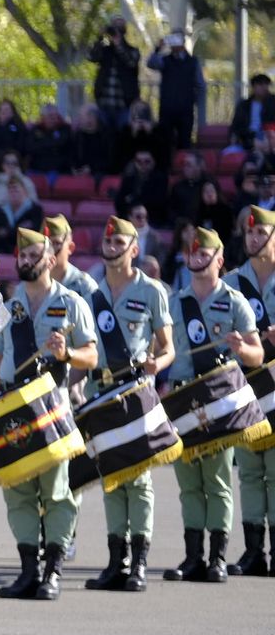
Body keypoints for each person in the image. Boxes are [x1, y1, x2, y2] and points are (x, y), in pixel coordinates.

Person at [0, 227, 97, 601]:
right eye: (22, 255)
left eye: (34, 255)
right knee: (18, 493)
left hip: (52, 410)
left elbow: (92, 356)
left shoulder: (71, 303)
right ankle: (27, 572)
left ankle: (53, 571)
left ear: (52, 260)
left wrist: (67, 354)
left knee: (57, 493)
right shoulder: (10, 305)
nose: (26, 261)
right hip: (14, 411)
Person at [163, 227, 265, 583]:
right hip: (181, 397)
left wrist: (242, 348)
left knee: (218, 480)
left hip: (218, 400)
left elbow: (257, 355)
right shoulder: (176, 301)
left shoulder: (234, 300)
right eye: (192, 252)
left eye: (204, 253)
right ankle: (193, 556)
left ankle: (217, 556)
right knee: (189, 482)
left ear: (219, 259)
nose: (197, 258)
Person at [79, 215, 174, 591]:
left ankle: (139, 562)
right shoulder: (93, 294)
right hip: (99, 393)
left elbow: (168, 348)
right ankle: (115, 561)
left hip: (135, 392)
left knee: (138, 479)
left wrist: (158, 363)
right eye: (108, 243)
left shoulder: (151, 291)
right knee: (112, 479)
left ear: (134, 249)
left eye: (119, 243)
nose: (112, 247)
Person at [219, 206, 275, 577]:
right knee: (251, 471)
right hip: (248, 387)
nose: (253, 239)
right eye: (250, 233)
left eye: (261, 233)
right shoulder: (234, 282)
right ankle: (254, 550)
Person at [147, 29, 205, 155]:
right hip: (167, 109)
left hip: (185, 110)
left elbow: (200, 85)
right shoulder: (165, 60)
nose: (174, 43)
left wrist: (196, 104)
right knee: (164, 143)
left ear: (183, 41)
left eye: (177, 39)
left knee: (184, 144)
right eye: (172, 39)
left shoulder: (193, 62)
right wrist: (158, 48)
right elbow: (150, 63)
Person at [90, 16, 141, 133]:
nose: (116, 30)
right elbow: (92, 57)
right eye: (114, 26)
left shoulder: (133, 50)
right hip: (104, 103)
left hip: (124, 104)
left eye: (120, 26)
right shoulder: (105, 50)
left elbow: (131, 62)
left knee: (123, 136)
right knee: (104, 136)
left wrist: (119, 45)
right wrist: (99, 38)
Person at [0, 176, 45, 253]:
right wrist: (19, 229)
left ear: (24, 191)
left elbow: (35, 236)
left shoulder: (35, 210)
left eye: (16, 189)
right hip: (4, 252)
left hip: (28, 252)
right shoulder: (1, 212)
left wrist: (6, 232)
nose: (13, 193)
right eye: (10, 190)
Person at [43, 215, 98, 298]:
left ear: (70, 248)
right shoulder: (31, 285)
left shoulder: (84, 286)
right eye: (45, 243)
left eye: (56, 243)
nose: (49, 249)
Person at [113, 151, 168, 221]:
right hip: (129, 219)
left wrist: (131, 199)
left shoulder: (161, 180)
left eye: (147, 161)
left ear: (153, 162)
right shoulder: (128, 179)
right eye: (139, 161)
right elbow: (119, 202)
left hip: (152, 219)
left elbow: (157, 202)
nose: (143, 165)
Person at [231, 73, 274, 151]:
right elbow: (236, 126)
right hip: (249, 137)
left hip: (268, 137)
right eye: (260, 84)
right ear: (253, 87)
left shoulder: (272, 102)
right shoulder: (244, 105)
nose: (264, 87)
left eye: (266, 84)